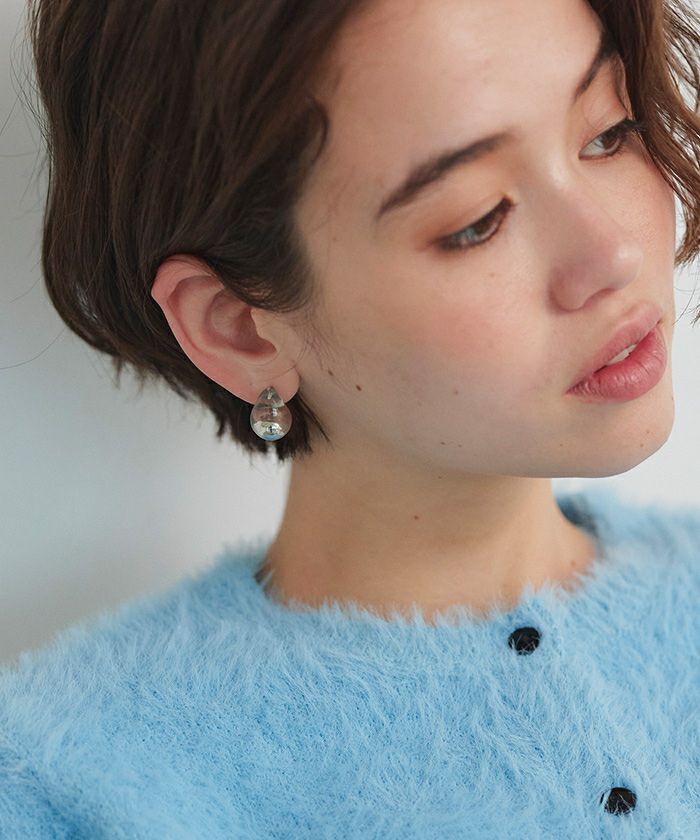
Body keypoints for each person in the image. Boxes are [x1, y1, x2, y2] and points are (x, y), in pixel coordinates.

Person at [2, 0, 699, 836]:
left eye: (610, 132)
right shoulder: (71, 789)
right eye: (477, 220)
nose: (613, 253)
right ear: (238, 326)